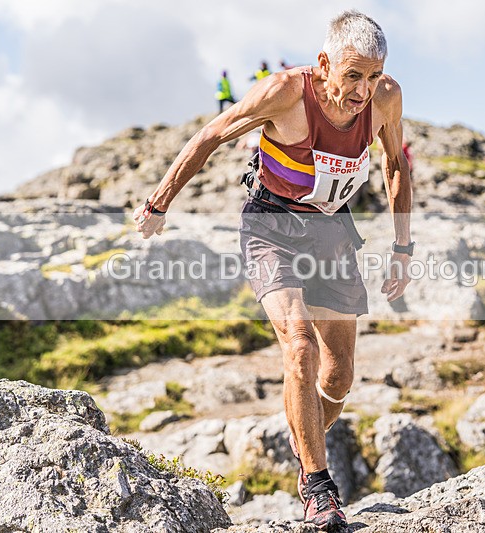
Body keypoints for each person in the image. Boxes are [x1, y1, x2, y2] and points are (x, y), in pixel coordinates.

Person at [133, 10, 412, 532]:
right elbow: (214, 133)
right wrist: (158, 203)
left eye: (373, 76)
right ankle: (317, 485)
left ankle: (302, 433)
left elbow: (396, 164)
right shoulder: (285, 92)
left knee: (339, 374)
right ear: (325, 63)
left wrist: (403, 246)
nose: (362, 91)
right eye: (352, 75)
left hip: (331, 232)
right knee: (299, 346)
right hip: (271, 227)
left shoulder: (386, 98)